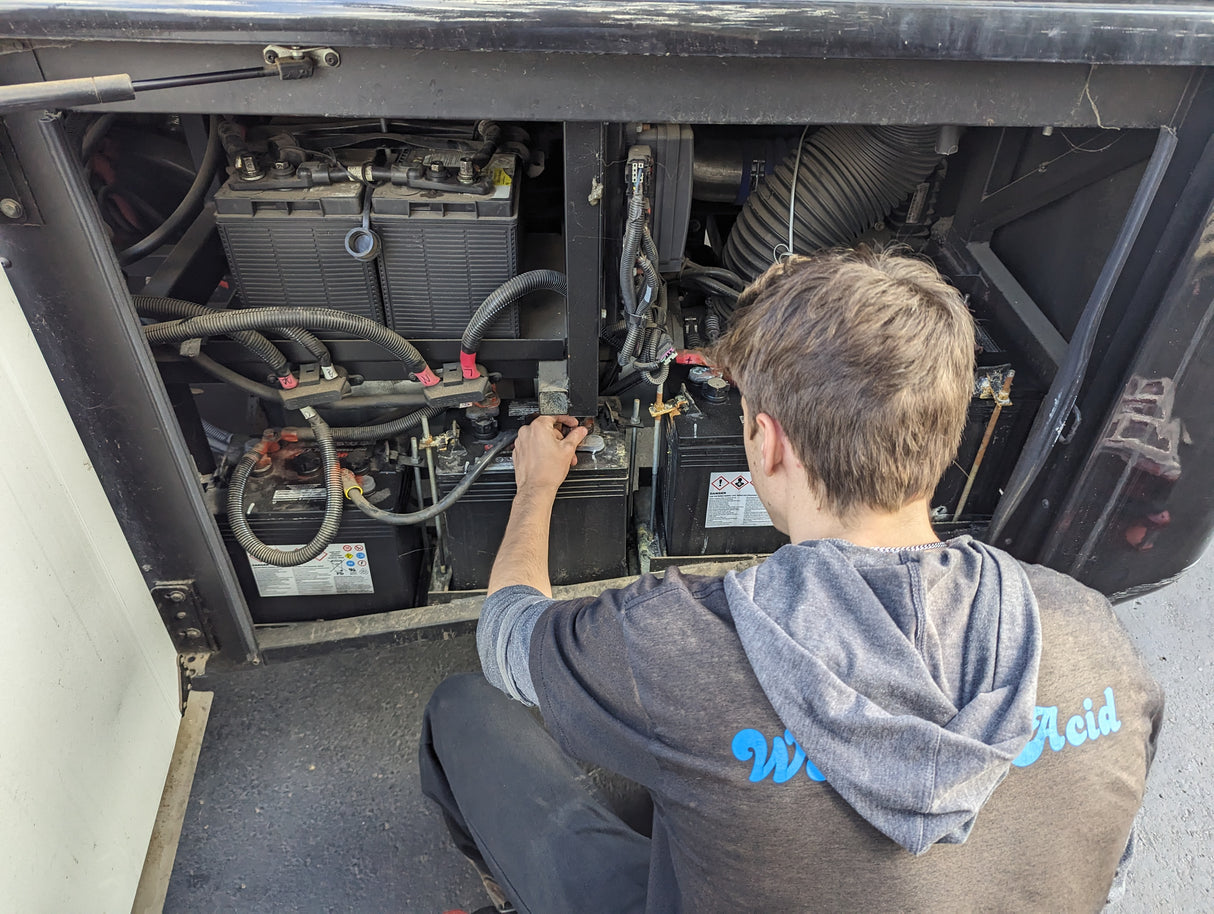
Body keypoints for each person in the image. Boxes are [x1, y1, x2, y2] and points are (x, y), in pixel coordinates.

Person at [419, 248, 1163, 914]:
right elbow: (1110, 876)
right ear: (943, 432)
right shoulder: (1092, 636)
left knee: (464, 710)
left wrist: (534, 487)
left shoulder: (676, 647)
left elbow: (506, 633)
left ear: (767, 443)